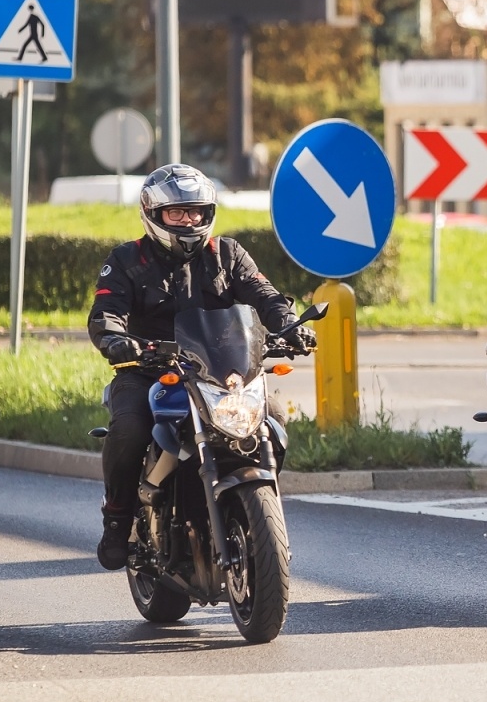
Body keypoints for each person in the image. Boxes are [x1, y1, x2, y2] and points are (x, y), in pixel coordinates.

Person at [86, 164, 315, 570]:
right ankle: (117, 518)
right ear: (153, 215)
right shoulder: (126, 260)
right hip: (152, 371)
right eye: (177, 213)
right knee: (130, 426)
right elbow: (106, 312)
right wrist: (116, 339)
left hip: (222, 375)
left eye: (195, 212)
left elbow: (264, 295)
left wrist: (289, 327)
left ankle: (260, 512)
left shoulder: (228, 254)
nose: (188, 220)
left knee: (274, 415)